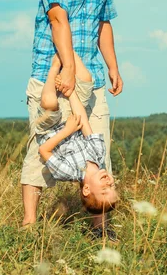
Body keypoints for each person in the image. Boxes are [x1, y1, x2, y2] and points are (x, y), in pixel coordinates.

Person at [21, 0, 123, 240]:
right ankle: (29, 227)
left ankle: (101, 232)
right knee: (44, 148)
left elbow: (103, 24)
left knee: (100, 154)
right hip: (53, 73)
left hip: (91, 77)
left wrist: (113, 66)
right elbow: (57, 18)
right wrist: (65, 66)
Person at [36, 54, 118, 214]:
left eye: (104, 190)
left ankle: (54, 67)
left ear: (86, 189)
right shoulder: (99, 154)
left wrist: (68, 130)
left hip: (50, 126)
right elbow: (84, 122)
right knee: (86, 78)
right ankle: (67, 50)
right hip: (71, 118)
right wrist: (69, 92)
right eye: (112, 187)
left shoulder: (67, 172)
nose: (108, 184)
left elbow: (44, 150)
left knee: (49, 101)